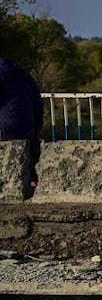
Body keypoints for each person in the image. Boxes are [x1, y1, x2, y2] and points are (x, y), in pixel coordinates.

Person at [0, 58, 44, 199]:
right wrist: (37, 129)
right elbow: (38, 103)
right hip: (27, 130)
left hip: (5, 129)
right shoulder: (22, 72)